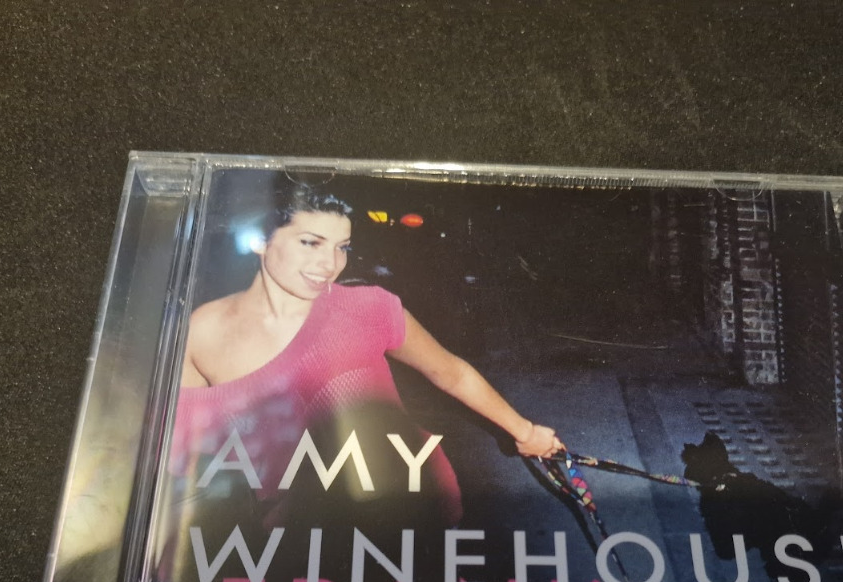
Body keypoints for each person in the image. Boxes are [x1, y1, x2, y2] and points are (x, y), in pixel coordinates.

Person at [171, 178, 562, 521]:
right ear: (260, 239)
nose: (330, 264)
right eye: (311, 242)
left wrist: (526, 432)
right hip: (292, 532)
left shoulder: (368, 308)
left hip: (408, 504)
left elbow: (451, 373)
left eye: (342, 247)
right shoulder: (202, 331)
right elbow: (182, 453)